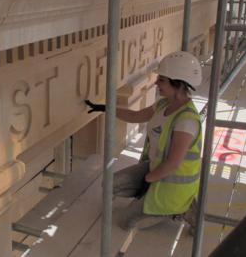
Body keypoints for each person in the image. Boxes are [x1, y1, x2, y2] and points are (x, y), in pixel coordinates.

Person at [85, 51, 202, 231]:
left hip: (171, 187)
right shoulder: (163, 104)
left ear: (178, 83)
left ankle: (182, 209)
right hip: (155, 169)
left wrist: (147, 181)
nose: (156, 83)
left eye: (161, 79)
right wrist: (106, 108)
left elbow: (172, 163)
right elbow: (136, 115)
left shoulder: (186, 121)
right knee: (109, 185)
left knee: (126, 223)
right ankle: (157, 203)